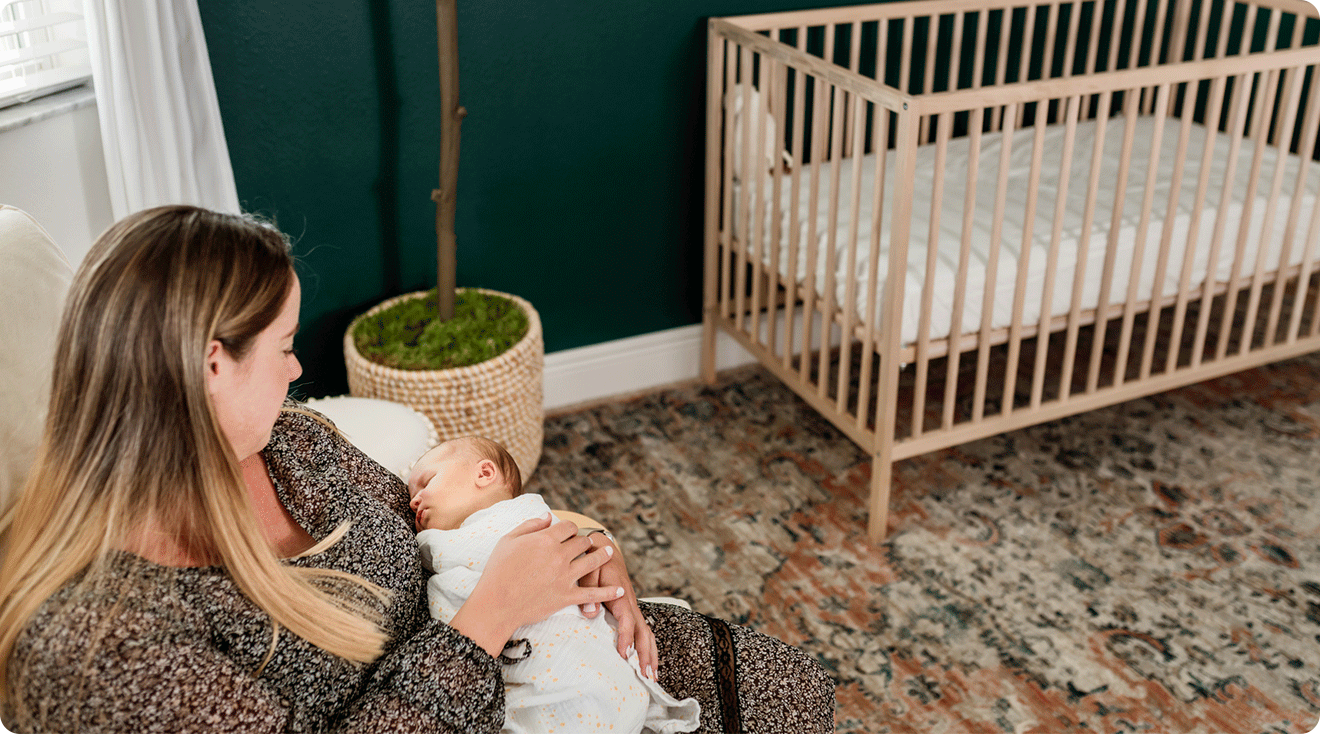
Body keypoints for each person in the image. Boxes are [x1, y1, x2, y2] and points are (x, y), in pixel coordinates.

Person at [0, 205, 835, 733]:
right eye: (286, 350)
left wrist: (572, 541)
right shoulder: (97, 644)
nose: (299, 377)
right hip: (470, 679)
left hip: (529, 662)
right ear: (210, 365)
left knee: (794, 691)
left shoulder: (292, 444)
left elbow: (433, 520)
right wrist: (488, 619)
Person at [408, 436, 700, 734]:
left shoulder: (529, 515)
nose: (413, 500)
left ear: (484, 474)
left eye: (426, 482)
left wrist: (601, 546)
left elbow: (571, 535)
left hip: (596, 668)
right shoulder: (439, 543)